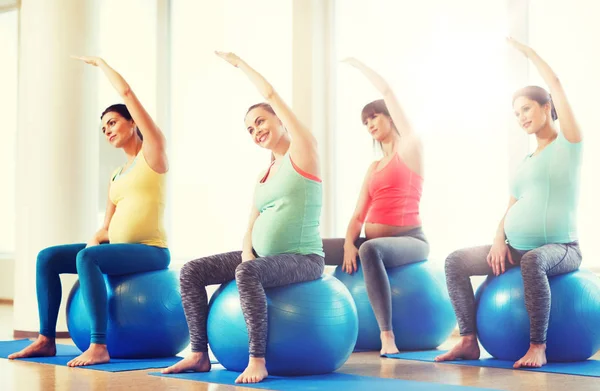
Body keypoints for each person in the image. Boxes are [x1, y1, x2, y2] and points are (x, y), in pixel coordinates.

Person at [162, 51, 324, 384]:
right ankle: (197, 354)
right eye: (250, 129)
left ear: (279, 119)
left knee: (247, 272)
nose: (256, 131)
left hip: (303, 259)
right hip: (260, 258)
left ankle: (257, 359)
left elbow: (270, 95)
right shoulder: (265, 174)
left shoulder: (304, 152)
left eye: (261, 122)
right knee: (192, 271)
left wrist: (240, 65)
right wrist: (247, 251)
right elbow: (251, 222)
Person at [8, 56, 170, 367]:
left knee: (87, 257)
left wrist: (103, 66)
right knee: (48, 257)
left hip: (150, 251)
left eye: (112, 122)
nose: (107, 130)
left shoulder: (153, 154)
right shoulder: (115, 176)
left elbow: (127, 94)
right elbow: (106, 228)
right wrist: (94, 243)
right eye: (103, 128)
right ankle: (45, 339)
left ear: (132, 122)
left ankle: (99, 345)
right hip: (119, 250)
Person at [435, 37, 583, 368]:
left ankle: (537, 346)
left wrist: (530, 54)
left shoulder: (568, 146)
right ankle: (469, 340)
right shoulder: (527, 160)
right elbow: (511, 207)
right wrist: (499, 239)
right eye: (516, 113)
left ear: (546, 107)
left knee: (533, 261)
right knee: (455, 262)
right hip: (514, 248)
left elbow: (557, 85)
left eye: (526, 108)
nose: (521, 117)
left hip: (561, 248)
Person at [323, 58, 429, 355]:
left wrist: (360, 67)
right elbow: (359, 214)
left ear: (389, 117)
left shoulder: (410, 148)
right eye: (365, 121)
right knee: (313, 247)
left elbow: (388, 91)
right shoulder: (374, 167)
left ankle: (387, 335)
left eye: (374, 117)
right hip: (373, 240)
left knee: (369, 249)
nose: (370, 124)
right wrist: (346, 243)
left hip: (410, 241)